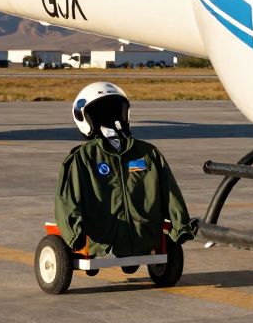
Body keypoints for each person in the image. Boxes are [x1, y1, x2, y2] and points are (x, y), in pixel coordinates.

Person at [55, 82, 195, 259]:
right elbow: (67, 201)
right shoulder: (82, 158)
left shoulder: (148, 154)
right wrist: (74, 234)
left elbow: (170, 193)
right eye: (100, 113)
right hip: (102, 244)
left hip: (146, 238)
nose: (110, 118)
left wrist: (181, 227)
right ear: (85, 118)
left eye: (115, 110)